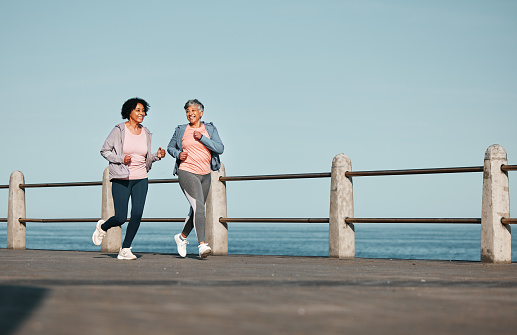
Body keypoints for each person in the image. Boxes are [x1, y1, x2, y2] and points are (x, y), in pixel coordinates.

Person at [93, 97, 165, 260]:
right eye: (138, 110)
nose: (142, 113)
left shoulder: (146, 132)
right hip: (121, 177)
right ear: (129, 112)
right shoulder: (119, 130)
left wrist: (157, 156)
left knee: (137, 214)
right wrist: (120, 159)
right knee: (120, 217)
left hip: (141, 177)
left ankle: (125, 248)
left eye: (143, 111)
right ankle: (103, 227)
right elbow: (105, 151)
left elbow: (144, 157)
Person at [167, 99, 224, 259]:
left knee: (196, 210)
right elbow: (170, 147)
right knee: (199, 206)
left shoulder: (210, 129)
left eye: (193, 110)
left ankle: (182, 237)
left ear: (201, 113)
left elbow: (220, 148)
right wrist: (178, 154)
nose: (190, 113)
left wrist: (203, 138)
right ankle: (202, 245)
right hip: (187, 171)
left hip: (206, 174)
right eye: (187, 111)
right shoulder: (181, 130)